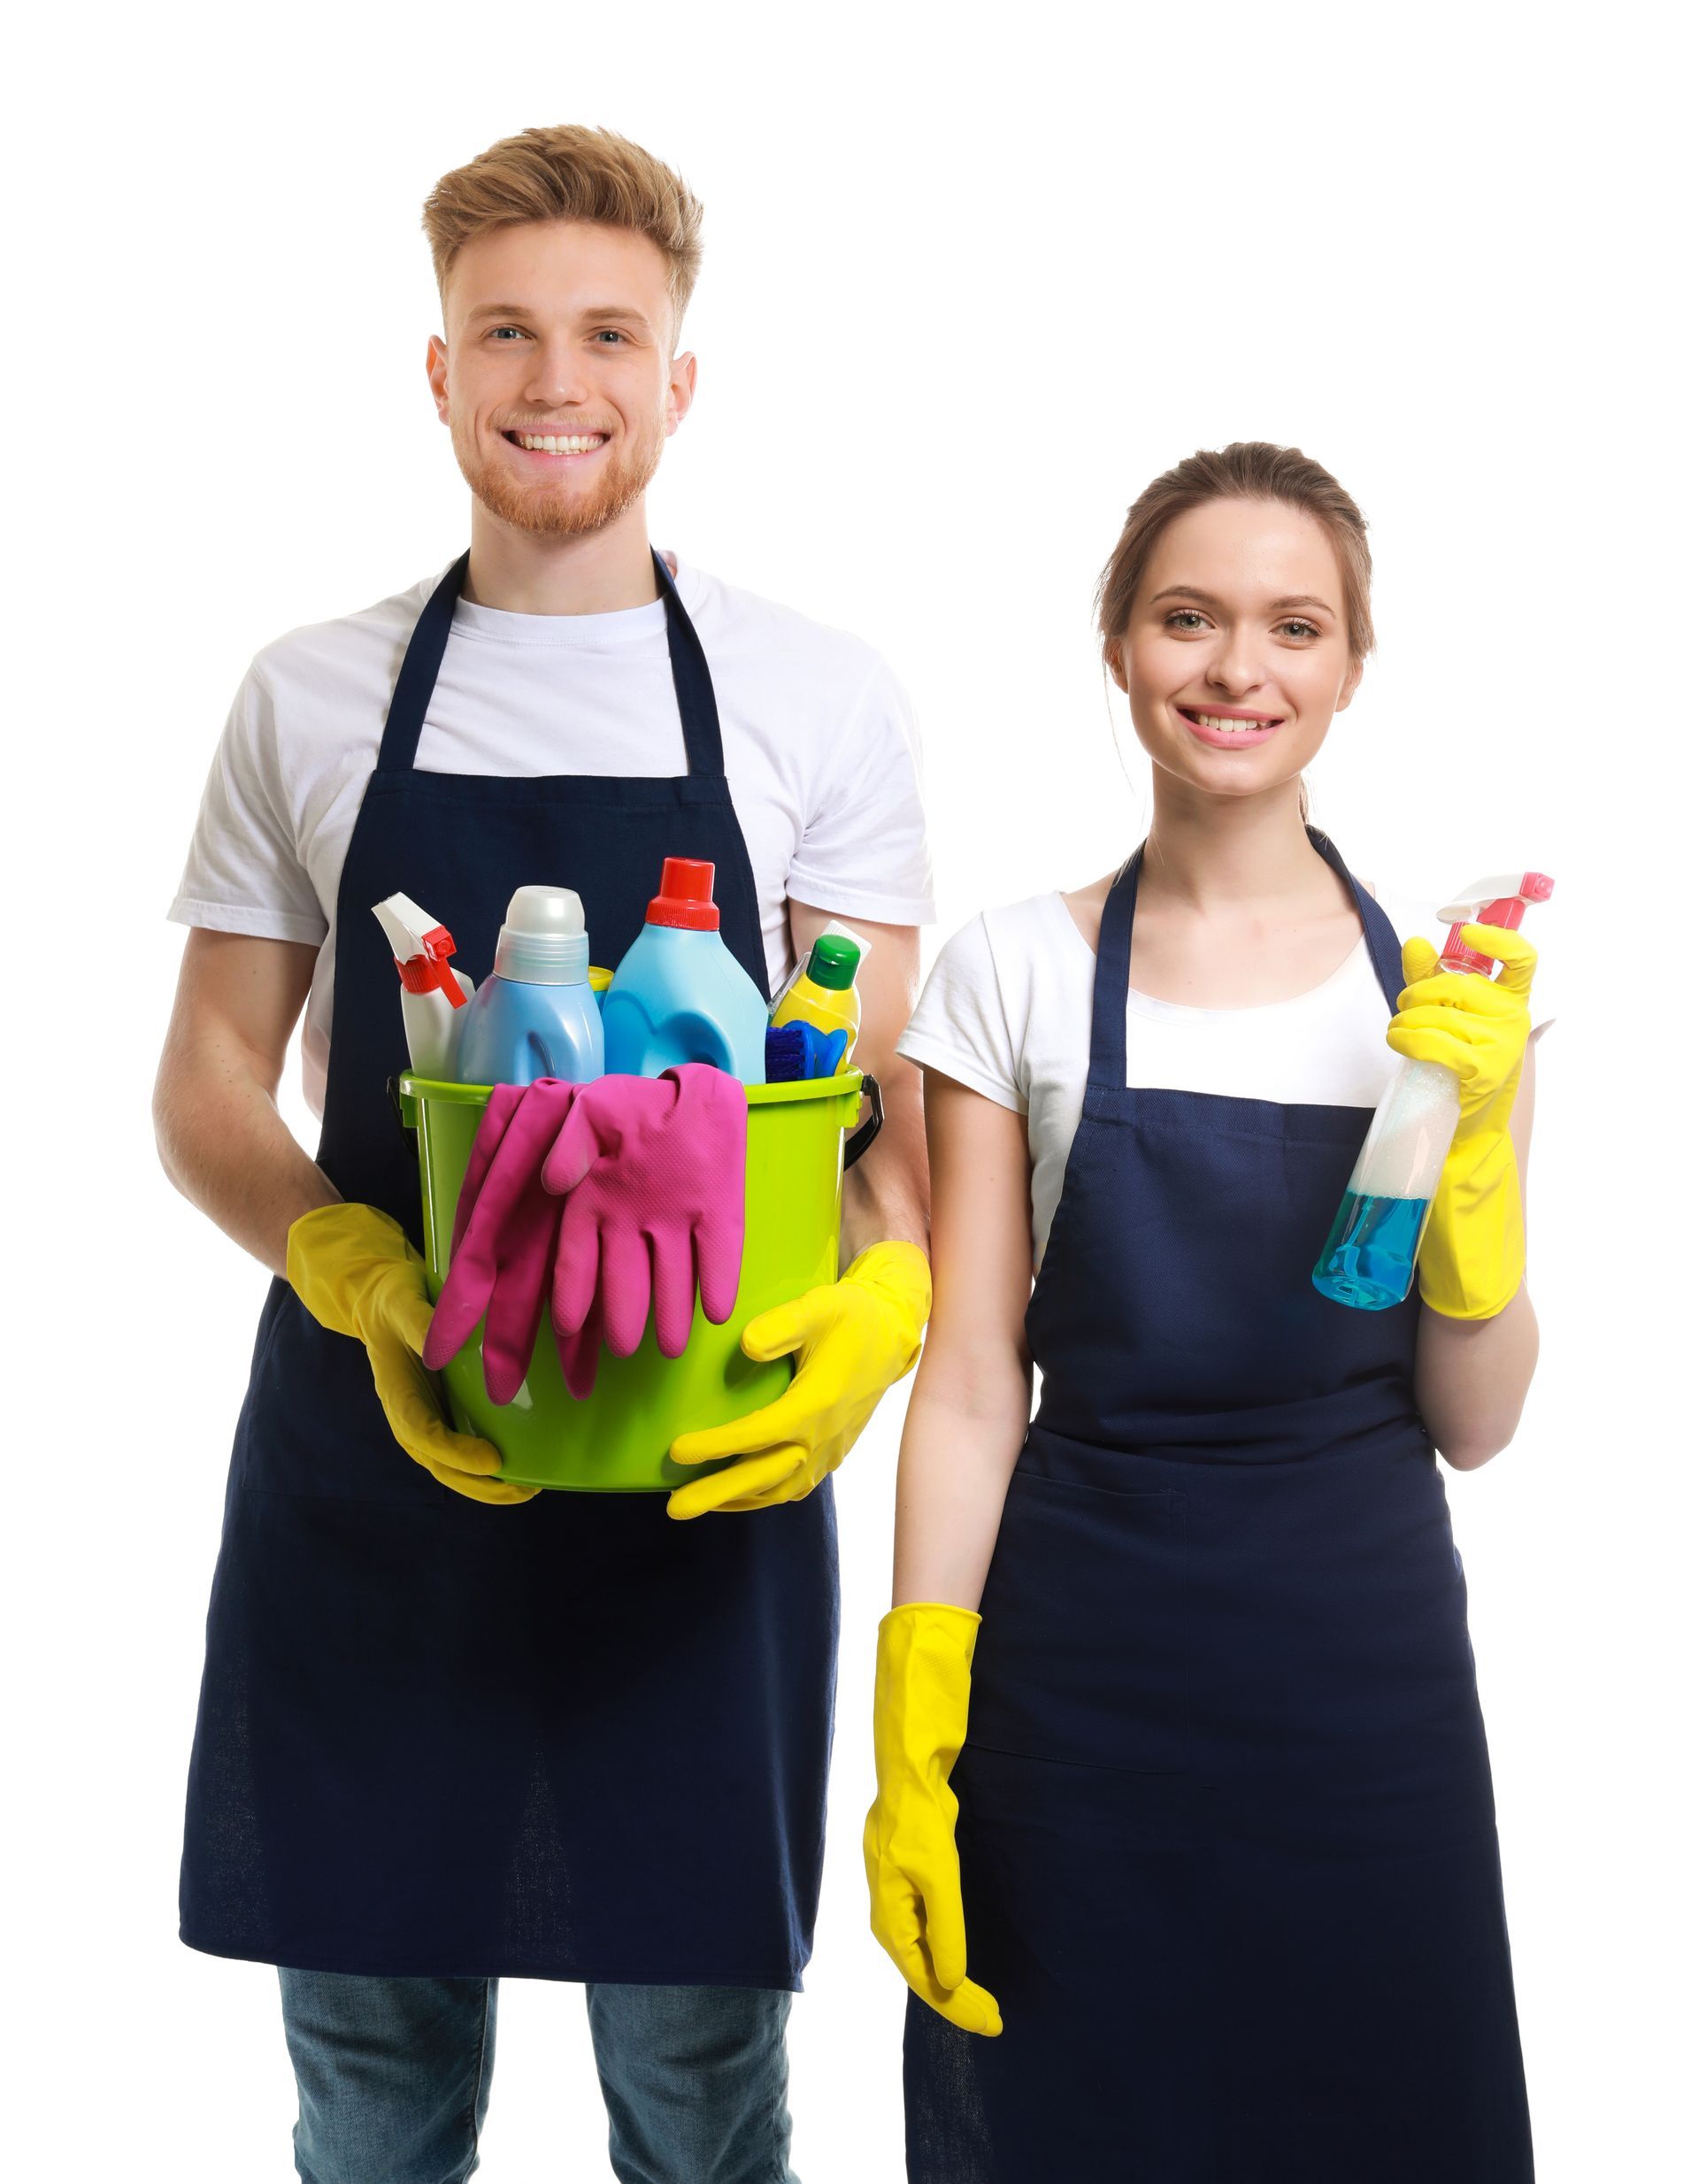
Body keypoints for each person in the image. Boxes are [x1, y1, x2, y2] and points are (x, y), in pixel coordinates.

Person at [153, 125, 934, 2184]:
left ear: (682, 382)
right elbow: (208, 1086)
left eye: (609, 332)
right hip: (380, 1478)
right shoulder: (310, 695)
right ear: (439, 372)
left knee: (700, 2101)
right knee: (378, 2102)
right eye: (506, 330)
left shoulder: (815, 696)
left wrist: (887, 1306)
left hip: (698, 1482)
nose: (555, 376)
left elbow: (884, 1111)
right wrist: (359, 1275)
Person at [864, 443, 1544, 2180]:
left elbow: (1474, 1415)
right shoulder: (1014, 969)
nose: (1241, 667)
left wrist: (1474, 1198)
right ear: (1120, 644)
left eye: (1293, 624)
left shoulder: (1451, 996)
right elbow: (967, 1385)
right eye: (1192, 616)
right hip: (1077, 1679)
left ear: (1349, 664)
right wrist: (918, 1682)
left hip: (1360, 1674)